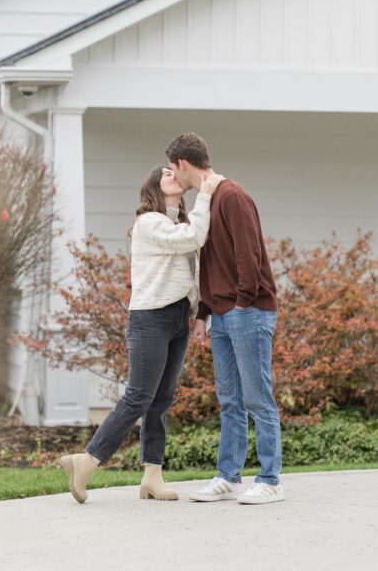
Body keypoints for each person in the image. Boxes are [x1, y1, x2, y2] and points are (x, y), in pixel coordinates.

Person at [60, 164, 223, 504]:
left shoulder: (179, 222)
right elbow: (193, 239)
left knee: (162, 399)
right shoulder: (149, 223)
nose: (173, 175)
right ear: (153, 187)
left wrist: (196, 315)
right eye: (165, 173)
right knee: (139, 396)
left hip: (177, 316)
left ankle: (152, 475)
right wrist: (205, 195)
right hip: (149, 317)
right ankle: (87, 461)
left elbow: (192, 270)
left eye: (174, 172)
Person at [166, 132, 284, 505]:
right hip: (221, 314)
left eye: (173, 169)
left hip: (247, 311)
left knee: (257, 398)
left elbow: (249, 254)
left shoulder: (231, 196)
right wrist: (204, 313)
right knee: (230, 399)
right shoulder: (205, 202)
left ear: (184, 165)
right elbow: (208, 265)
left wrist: (242, 304)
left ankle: (270, 480)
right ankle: (228, 476)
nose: (173, 177)